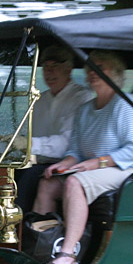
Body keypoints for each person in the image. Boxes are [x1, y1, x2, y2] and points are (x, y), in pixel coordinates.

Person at [33, 49, 133, 264]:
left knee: (75, 182)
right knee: (48, 183)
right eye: (91, 69)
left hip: (131, 170)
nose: (93, 73)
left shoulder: (125, 104)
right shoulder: (85, 109)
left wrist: (96, 163)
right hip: (94, 170)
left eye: (101, 68)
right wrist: (64, 164)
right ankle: (40, 245)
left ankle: (67, 256)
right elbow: (76, 150)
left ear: (116, 73)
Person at [14, 44, 91, 210]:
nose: (49, 72)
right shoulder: (40, 100)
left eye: (55, 67)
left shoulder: (82, 97)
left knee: (29, 178)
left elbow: (67, 144)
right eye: (46, 67)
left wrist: (27, 144)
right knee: (6, 177)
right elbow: (27, 135)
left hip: (71, 165)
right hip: (40, 163)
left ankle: (22, 231)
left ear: (68, 70)